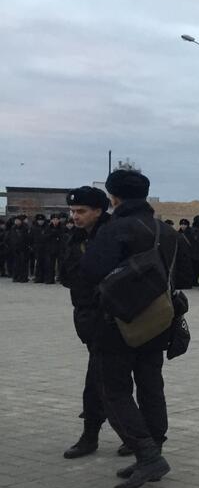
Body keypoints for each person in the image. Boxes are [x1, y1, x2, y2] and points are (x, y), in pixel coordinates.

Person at [79, 170, 176, 488]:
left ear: (113, 198)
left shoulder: (115, 229)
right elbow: (184, 273)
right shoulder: (165, 230)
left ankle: (148, 455)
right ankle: (154, 448)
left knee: (114, 391)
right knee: (151, 385)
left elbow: (90, 272)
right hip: (158, 321)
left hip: (117, 323)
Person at [61, 186, 117, 460]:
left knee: (98, 377)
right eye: (72, 211)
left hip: (108, 316)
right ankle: (133, 434)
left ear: (98, 211)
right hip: (85, 315)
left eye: (81, 211)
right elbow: (68, 274)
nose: (75, 216)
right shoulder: (76, 236)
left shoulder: (111, 236)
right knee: (109, 376)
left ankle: (91, 434)